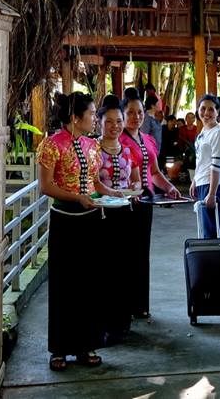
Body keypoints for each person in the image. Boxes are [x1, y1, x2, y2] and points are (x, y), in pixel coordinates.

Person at [36, 92, 115, 371]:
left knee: (89, 283)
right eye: (92, 114)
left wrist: (115, 192)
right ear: (75, 117)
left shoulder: (93, 146)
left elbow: (95, 183)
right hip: (65, 221)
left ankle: (87, 344)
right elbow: (46, 187)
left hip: (91, 219)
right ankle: (59, 348)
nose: (96, 118)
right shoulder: (51, 145)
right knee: (63, 284)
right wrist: (76, 197)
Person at [121, 88, 182, 320]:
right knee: (126, 255)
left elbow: (155, 172)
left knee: (141, 253)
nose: (135, 117)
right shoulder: (119, 139)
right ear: (123, 114)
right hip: (126, 202)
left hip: (146, 201)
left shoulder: (145, 139)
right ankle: (125, 306)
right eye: (130, 112)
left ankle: (140, 304)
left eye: (139, 112)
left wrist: (169, 188)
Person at [95, 94, 142, 343]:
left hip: (125, 214)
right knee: (104, 269)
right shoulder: (92, 150)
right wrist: (110, 192)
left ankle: (121, 322)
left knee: (124, 268)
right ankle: (102, 323)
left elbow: (136, 180)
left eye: (119, 121)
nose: (115, 126)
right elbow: (90, 183)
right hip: (101, 216)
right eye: (109, 121)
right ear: (99, 123)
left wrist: (134, 188)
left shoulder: (129, 150)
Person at [191, 94, 220, 238]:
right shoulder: (204, 131)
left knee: (213, 233)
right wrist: (195, 180)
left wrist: (212, 193)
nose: (206, 113)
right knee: (205, 231)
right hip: (203, 183)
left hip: (213, 186)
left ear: (217, 112)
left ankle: (217, 261)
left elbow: (216, 166)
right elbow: (201, 160)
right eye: (202, 108)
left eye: (211, 109)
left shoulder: (219, 133)